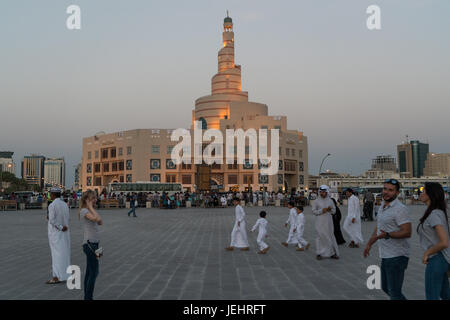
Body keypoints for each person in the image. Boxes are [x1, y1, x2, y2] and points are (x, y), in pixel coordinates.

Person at [363, 179, 412, 300]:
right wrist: (370, 243)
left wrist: (388, 235)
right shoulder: (383, 206)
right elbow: (379, 227)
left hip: (397, 255)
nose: (386, 192)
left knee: (394, 292)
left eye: (391, 190)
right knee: (385, 287)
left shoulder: (400, 209)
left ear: (397, 193)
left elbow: (407, 232)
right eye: (385, 189)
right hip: (386, 255)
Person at [418, 182, 450, 300]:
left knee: (432, 295)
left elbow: (444, 241)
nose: (420, 193)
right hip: (442, 259)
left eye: (423, 190)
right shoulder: (438, 212)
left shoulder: (434, 214)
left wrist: (427, 253)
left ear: (430, 194)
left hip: (437, 259)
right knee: (446, 295)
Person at [79, 190, 103, 300]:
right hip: (89, 245)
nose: (96, 200)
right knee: (94, 272)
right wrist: (90, 207)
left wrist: (91, 207)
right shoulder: (84, 211)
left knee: (90, 271)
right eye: (93, 198)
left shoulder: (90, 210)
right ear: (88, 200)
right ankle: (88, 297)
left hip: (95, 245)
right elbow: (96, 219)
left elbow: (100, 222)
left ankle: (87, 297)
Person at [46, 187, 70, 284]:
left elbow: (52, 220)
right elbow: (66, 218)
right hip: (65, 232)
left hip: (56, 233)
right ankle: (65, 274)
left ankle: (56, 277)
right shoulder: (65, 204)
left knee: (56, 255)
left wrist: (60, 227)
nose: (50, 195)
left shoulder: (52, 205)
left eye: (50, 194)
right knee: (64, 253)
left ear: (53, 195)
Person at [312, 185, 339, 260]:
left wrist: (329, 210)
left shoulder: (330, 201)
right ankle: (319, 253)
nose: (322, 193)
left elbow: (334, 211)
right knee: (320, 237)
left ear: (327, 192)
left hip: (328, 222)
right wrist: (321, 211)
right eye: (321, 192)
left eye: (324, 192)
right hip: (319, 222)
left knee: (329, 236)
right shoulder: (316, 201)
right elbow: (314, 211)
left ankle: (331, 253)